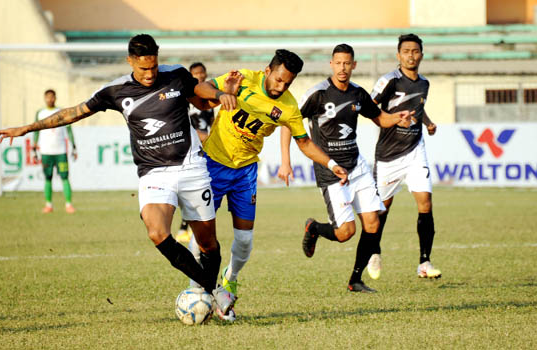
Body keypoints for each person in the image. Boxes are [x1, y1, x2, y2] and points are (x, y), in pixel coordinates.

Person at [0, 34, 240, 320]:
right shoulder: (115, 90)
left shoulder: (175, 74)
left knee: (208, 243)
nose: (150, 74)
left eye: (153, 67)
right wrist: (28, 128)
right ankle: (216, 292)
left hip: (191, 168)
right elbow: (74, 112)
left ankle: (212, 294)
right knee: (157, 232)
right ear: (130, 61)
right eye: (143, 68)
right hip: (154, 173)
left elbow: (202, 91)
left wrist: (221, 94)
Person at [191, 49, 349, 300]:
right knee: (202, 233)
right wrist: (222, 94)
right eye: (278, 79)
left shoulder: (288, 106)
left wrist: (331, 164)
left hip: (245, 172)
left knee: (244, 241)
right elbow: (200, 88)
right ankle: (195, 289)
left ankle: (229, 281)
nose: (281, 86)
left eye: (288, 82)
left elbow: (304, 142)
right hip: (213, 164)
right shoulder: (242, 79)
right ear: (267, 71)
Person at [285, 44, 412, 293]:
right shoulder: (318, 94)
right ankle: (314, 228)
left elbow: (380, 118)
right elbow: (288, 122)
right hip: (331, 171)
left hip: (357, 166)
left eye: (347, 63)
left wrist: (398, 118)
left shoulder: (358, 94)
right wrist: (285, 160)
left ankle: (355, 280)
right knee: (345, 232)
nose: (343, 68)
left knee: (373, 223)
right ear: (331, 64)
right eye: (338, 63)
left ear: (354, 65)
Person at [369, 33, 441, 279]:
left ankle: (424, 263)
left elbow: (418, 107)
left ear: (422, 54)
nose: (411, 55)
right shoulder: (389, 80)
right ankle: (374, 251)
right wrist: (392, 119)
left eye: (415, 51)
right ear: (398, 55)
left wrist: (427, 122)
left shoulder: (424, 84)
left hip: (414, 151)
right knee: (382, 209)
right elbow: (369, 107)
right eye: (406, 51)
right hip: (388, 155)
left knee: (426, 202)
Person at [176, 62, 216, 243]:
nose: (200, 76)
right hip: (188, 145)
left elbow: (212, 123)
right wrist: (201, 135)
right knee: (189, 187)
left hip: (204, 147)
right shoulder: (185, 96)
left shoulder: (208, 100)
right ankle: (185, 226)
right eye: (196, 74)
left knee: (203, 186)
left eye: (202, 73)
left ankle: (190, 226)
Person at [32, 89, 77, 214]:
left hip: (60, 151)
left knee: (65, 177)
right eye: (47, 97)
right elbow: (36, 130)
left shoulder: (61, 112)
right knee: (48, 178)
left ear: (55, 98)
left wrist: (74, 146)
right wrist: (34, 145)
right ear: (44, 98)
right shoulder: (40, 113)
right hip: (46, 151)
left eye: (52, 97)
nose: (50, 99)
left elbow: (69, 130)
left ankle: (68, 204)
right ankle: (48, 205)